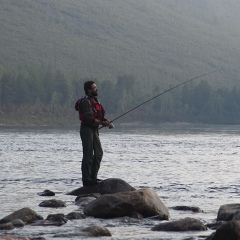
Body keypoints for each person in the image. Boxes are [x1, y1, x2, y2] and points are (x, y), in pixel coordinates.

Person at [75, 80, 113, 186]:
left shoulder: (96, 101)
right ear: (89, 90)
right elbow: (89, 119)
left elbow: (99, 116)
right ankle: (86, 180)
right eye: (94, 88)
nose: (97, 89)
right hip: (86, 129)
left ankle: (93, 177)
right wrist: (103, 123)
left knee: (99, 153)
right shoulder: (85, 102)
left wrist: (105, 121)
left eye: (96, 87)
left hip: (94, 129)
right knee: (88, 154)